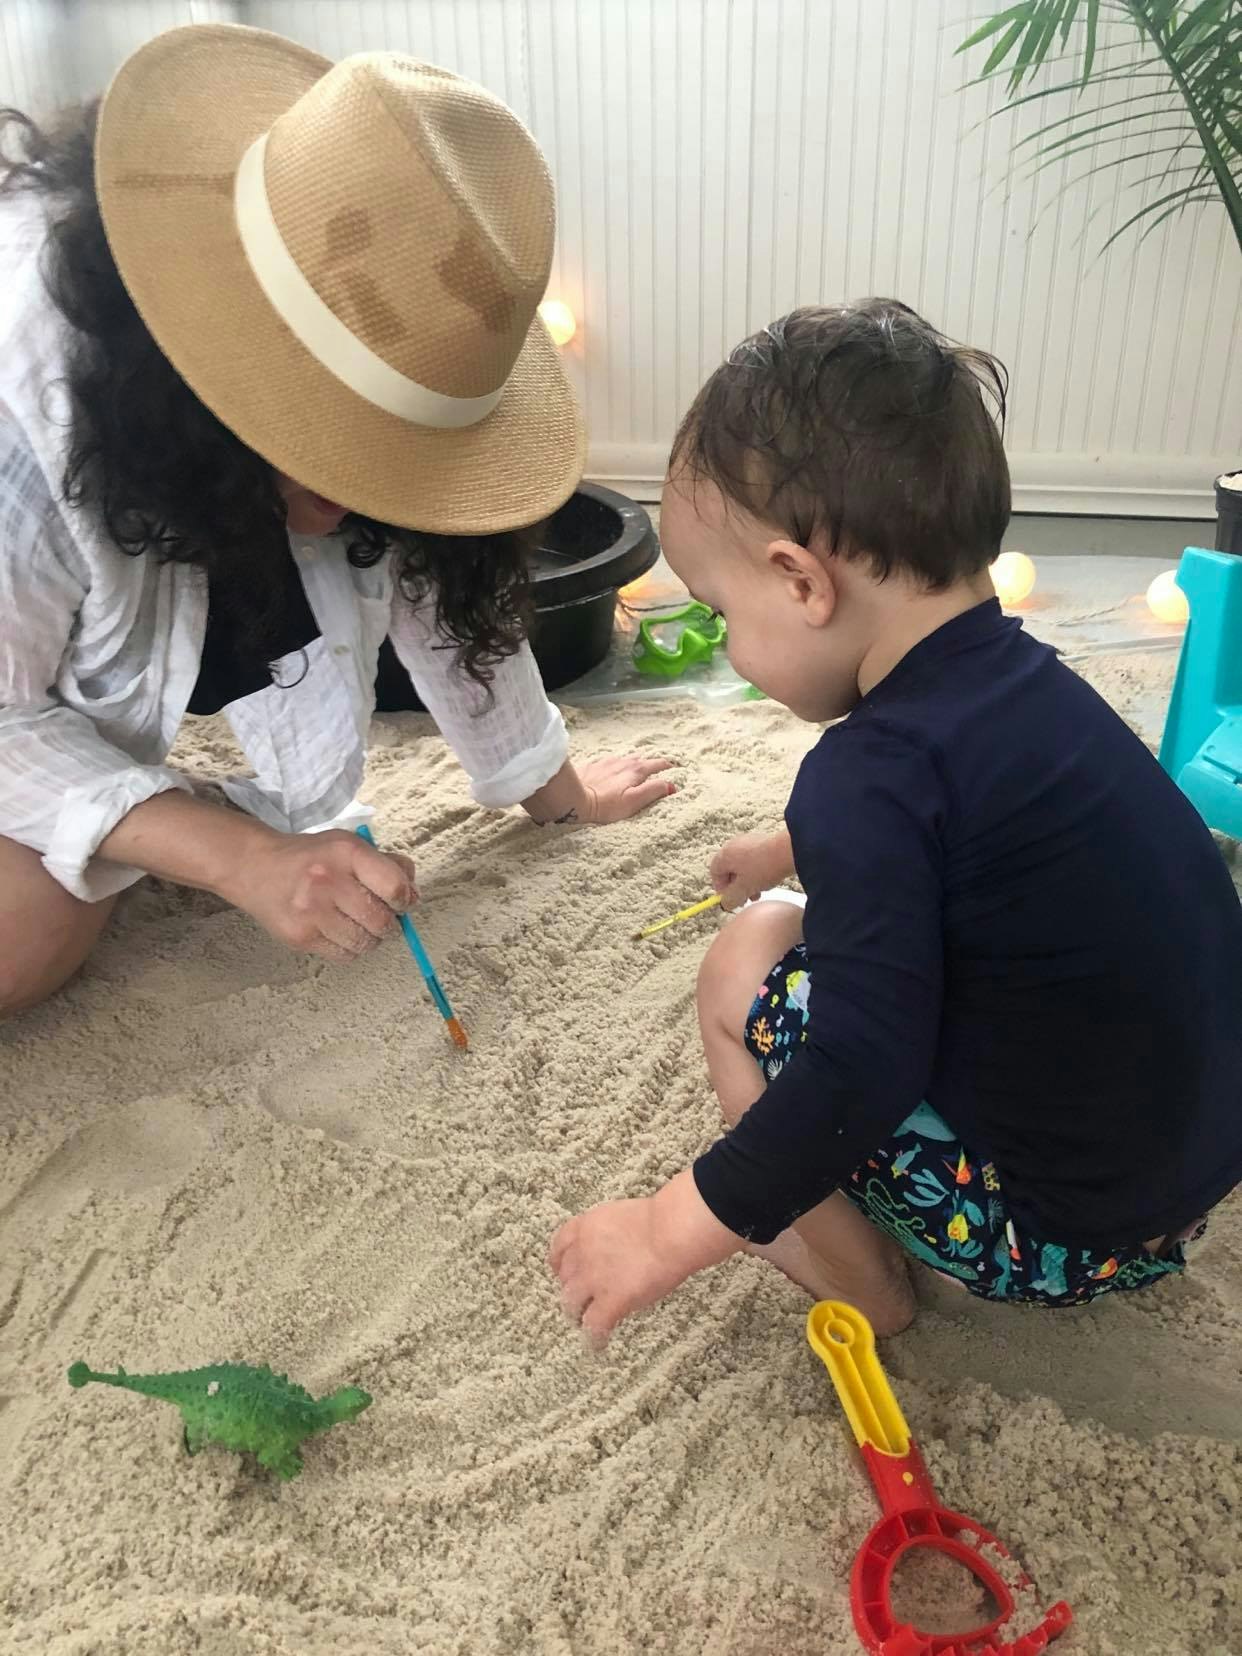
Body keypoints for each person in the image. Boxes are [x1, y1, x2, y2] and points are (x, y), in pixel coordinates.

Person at [552, 300, 1242, 1345]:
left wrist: (663, 1228)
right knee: (795, 913)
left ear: (801, 582)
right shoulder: (1039, 684)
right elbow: (978, 832)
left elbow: (859, 1070)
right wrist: (793, 848)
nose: (731, 645)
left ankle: (863, 1283)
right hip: (1187, 1175)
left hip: (1053, 1233)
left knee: (743, 965)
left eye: (723, 614)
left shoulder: (867, 774)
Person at [0, 24, 673, 1018]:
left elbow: (440, 593)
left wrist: (557, 791)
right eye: (330, 434)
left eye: (397, 454)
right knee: (23, 936)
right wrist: (238, 856)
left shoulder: (399, 351)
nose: (355, 501)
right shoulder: (33, 421)